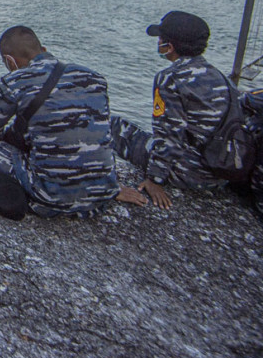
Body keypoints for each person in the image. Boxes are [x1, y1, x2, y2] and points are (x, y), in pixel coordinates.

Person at [0, 26, 145, 218]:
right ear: (44, 49)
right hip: (102, 195)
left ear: (9, 61)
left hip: (50, 196)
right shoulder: (94, 78)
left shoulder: (14, 81)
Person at [111, 11, 258, 210]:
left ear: (169, 47)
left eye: (161, 39)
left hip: (190, 173)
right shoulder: (220, 77)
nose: (159, 43)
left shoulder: (170, 78)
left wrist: (155, 179)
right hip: (220, 173)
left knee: (114, 126)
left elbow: (170, 137)